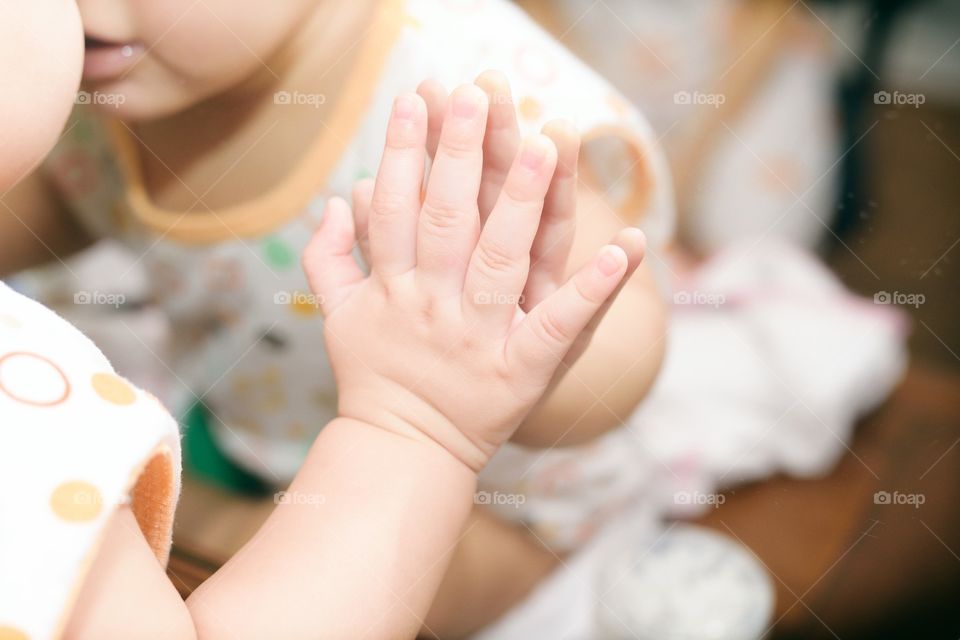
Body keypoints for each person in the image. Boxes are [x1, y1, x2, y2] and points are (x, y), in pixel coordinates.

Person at [2, 0, 672, 633]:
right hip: (273, 440)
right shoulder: (100, 94)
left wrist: (507, 359)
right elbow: (51, 207)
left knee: (407, 575)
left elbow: (621, 333)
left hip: (493, 488)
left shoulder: (452, 101)